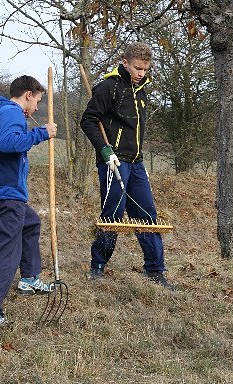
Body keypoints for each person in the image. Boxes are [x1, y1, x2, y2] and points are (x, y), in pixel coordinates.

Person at [80, 41, 174, 290]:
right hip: (114, 160)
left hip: (136, 162)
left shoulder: (141, 90)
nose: (142, 73)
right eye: (137, 68)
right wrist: (105, 151)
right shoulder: (109, 87)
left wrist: (138, 157)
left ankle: (155, 270)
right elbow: (88, 120)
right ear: (125, 62)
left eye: (145, 69)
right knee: (113, 214)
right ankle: (97, 266)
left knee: (147, 216)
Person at [0, 75, 58, 326]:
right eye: (37, 101)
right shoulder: (12, 112)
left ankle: (29, 278)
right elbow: (8, 144)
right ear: (28, 95)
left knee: (31, 222)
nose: (36, 108)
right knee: (8, 249)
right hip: (5, 192)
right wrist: (42, 133)